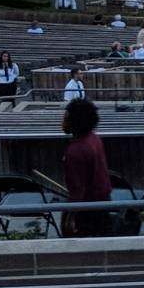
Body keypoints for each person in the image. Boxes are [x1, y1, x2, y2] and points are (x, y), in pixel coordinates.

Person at [59, 97, 114, 236]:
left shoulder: (75, 151)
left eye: (66, 119)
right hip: (103, 202)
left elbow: (78, 191)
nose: (62, 123)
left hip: (87, 209)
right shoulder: (94, 139)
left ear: (75, 122)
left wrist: (70, 218)